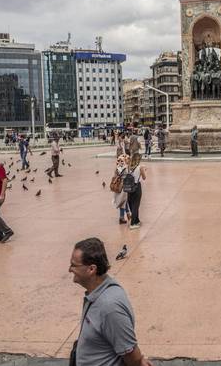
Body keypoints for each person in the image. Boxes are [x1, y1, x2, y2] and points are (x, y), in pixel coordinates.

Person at [69, 238, 152, 366]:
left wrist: (139, 361)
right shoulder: (97, 293)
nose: (70, 269)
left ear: (91, 269)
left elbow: (132, 357)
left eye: (74, 265)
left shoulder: (110, 307)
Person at [126, 153, 146, 229]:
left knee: (131, 203)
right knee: (136, 205)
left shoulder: (129, 167)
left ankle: (137, 220)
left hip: (129, 187)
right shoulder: (140, 167)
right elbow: (144, 178)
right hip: (137, 187)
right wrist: (144, 171)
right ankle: (133, 224)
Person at [113, 154, 130, 225]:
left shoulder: (117, 168)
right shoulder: (124, 168)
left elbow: (114, 176)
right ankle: (122, 217)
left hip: (117, 187)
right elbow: (127, 176)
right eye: (120, 160)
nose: (121, 162)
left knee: (123, 201)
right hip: (123, 187)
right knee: (123, 202)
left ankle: (128, 214)